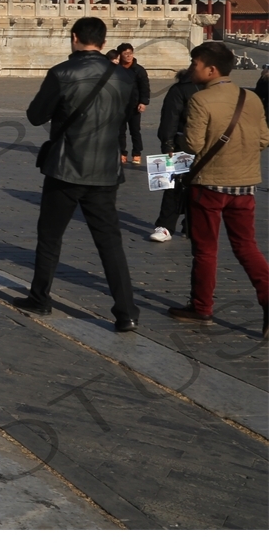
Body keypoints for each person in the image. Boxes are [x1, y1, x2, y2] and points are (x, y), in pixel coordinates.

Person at [11, 17, 139, 333]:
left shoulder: (63, 73)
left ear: (74, 37)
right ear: (103, 40)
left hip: (66, 167)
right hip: (106, 170)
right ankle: (127, 312)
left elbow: (35, 114)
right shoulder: (123, 77)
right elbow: (121, 117)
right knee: (110, 242)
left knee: (51, 236)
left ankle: (40, 297)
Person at [167, 40, 269, 333]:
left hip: (209, 184)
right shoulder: (250, 98)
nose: (191, 68)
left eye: (195, 64)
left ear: (211, 70)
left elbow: (194, 144)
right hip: (245, 184)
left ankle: (201, 308)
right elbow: (264, 139)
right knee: (247, 247)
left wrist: (180, 139)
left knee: (206, 250)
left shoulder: (201, 100)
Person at [148, 67, 198, 242]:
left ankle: (192, 225)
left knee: (200, 188)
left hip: (208, 147)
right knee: (174, 186)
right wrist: (167, 142)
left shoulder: (216, 90)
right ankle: (166, 225)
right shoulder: (180, 89)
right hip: (181, 145)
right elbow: (170, 116)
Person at [115, 43, 150, 166]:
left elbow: (144, 87)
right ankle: (122, 153)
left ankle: (136, 153)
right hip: (119, 106)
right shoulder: (116, 68)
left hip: (135, 105)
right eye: (125, 54)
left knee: (135, 130)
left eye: (130, 53)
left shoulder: (138, 70)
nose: (129, 56)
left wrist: (143, 102)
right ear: (120, 55)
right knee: (120, 131)